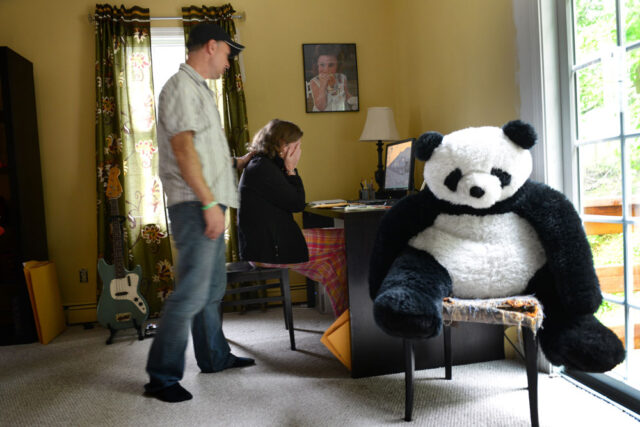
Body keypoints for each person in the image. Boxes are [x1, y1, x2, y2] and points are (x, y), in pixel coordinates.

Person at [145, 22, 254, 403]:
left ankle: (214, 357)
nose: (229, 61)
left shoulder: (199, 92)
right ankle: (161, 377)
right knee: (192, 292)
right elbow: (184, 151)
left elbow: (204, 153)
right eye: (228, 53)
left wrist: (239, 161)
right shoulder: (180, 88)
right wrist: (209, 203)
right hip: (196, 203)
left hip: (206, 199)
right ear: (210, 46)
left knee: (210, 290)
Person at [238, 119, 348, 316]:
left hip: (264, 246)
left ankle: (349, 326)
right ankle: (356, 324)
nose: (299, 151)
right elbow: (297, 204)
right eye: (297, 146)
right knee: (348, 239)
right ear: (283, 145)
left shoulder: (262, 165)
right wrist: (291, 169)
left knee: (331, 266)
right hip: (267, 248)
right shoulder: (263, 169)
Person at [308, 45, 354, 112]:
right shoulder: (314, 81)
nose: (326, 70)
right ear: (317, 65)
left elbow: (347, 95)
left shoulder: (342, 78)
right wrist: (323, 85)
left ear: (338, 66)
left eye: (331, 65)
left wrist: (354, 100)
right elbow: (321, 107)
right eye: (322, 65)